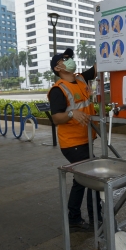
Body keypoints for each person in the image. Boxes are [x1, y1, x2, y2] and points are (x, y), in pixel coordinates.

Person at [47, 53, 102, 231]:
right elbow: (56, 118)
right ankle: (97, 219)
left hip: (86, 139)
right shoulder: (58, 90)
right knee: (93, 176)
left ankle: (74, 218)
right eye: (64, 59)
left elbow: (97, 67)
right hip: (72, 144)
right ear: (57, 68)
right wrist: (72, 114)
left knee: (81, 179)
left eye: (69, 57)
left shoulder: (81, 79)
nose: (69, 60)